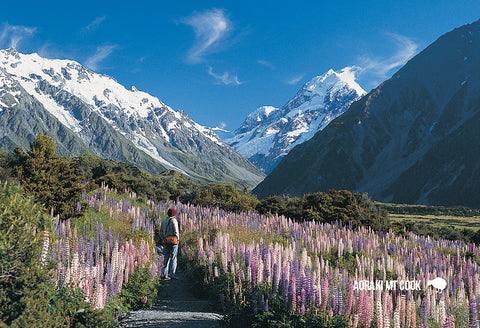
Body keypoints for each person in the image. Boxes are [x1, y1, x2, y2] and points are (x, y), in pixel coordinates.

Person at [159, 208, 179, 280]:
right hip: (173, 241)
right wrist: (178, 239)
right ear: (174, 214)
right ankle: (172, 274)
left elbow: (160, 231)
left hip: (166, 241)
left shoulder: (164, 221)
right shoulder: (174, 220)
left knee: (166, 257)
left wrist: (163, 238)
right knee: (173, 257)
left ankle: (165, 274)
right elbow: (176, 231)